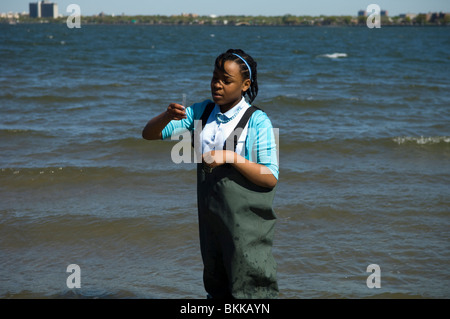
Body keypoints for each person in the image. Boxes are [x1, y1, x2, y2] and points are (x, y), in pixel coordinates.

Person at [142, 49, 279, 299]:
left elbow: (270, 176)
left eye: (226, 80)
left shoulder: (257, 121)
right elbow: (149, 134)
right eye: (215, 77)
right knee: (216, 286)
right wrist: (166, 116)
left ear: (245, 85)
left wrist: (229, 157)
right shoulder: (202, 113)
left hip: (247, 226)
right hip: (211, 221)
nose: (217, 85)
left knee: (250, 287)